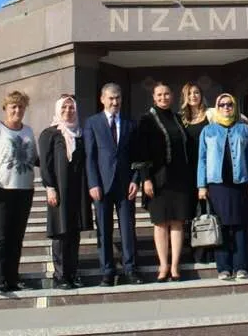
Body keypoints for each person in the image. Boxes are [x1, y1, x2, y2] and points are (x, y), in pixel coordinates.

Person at [0, 90, 38, 294]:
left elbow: (35, 158)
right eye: (13, 106)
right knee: (2, 236)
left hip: (24, 189)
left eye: (21, 107)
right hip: (1, 189)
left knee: (17, 236)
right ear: (6, 108)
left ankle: (13, 277)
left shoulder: (28, 131)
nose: (17, 110)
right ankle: (0, 279)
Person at [197, 93, 248, 281]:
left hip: (239, 183)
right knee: (221, 227)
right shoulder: (208, 131)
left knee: (240, 226)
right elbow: (202, 159)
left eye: (229, 104)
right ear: (216, 107)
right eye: (222, 105)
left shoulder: (243, 130)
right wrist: (201, 185)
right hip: (217, 185)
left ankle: (241, 267)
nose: (226, 108)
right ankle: (223, 267)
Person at [83, 82, 140, 286]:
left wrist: (136, 180)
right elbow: (90, 156)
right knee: (104, 230)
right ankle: (107, 271)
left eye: (118, 98)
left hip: (125, 186)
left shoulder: (130, 123)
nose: (115, 102)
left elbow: (137, 156)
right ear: (102, 99)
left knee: (127, 228)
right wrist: (92, 183)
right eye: (111, 98)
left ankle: (130, 269)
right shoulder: (92, 123)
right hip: (102, 185)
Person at [136, 82, 193, 282]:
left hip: (180, 178)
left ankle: (175, 266)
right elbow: (141, 152)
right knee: (160, 223)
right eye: (159, 95)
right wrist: (146, 179)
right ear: (153, 97)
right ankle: (163, 265)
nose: (163, 98)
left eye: (167, 94)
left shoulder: (178, 118)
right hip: (158, 179)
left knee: (177, 222)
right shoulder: (146, 120)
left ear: (172, 95)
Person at [38, 94, 93, 289]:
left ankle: (72, 273)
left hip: (78, 190)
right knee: (61, 233)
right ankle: (60, 275)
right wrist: (50, 187)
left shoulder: (81, 133)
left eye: (71, 108)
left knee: (74, 232)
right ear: (58, 110)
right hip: (59, 190)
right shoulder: (50, 134)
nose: (68, 112)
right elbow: (45, 164)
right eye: (64, 108)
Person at [180, 82, 212, 264]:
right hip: (188, 172)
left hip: (208, 169)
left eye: (197, 92)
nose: (193, 96)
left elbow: (235, 115)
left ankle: (209, 250)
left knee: (208, 211)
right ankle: (194, 251)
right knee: (191, 212)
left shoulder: (211, 114)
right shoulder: (180, 118)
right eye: (190, 93)